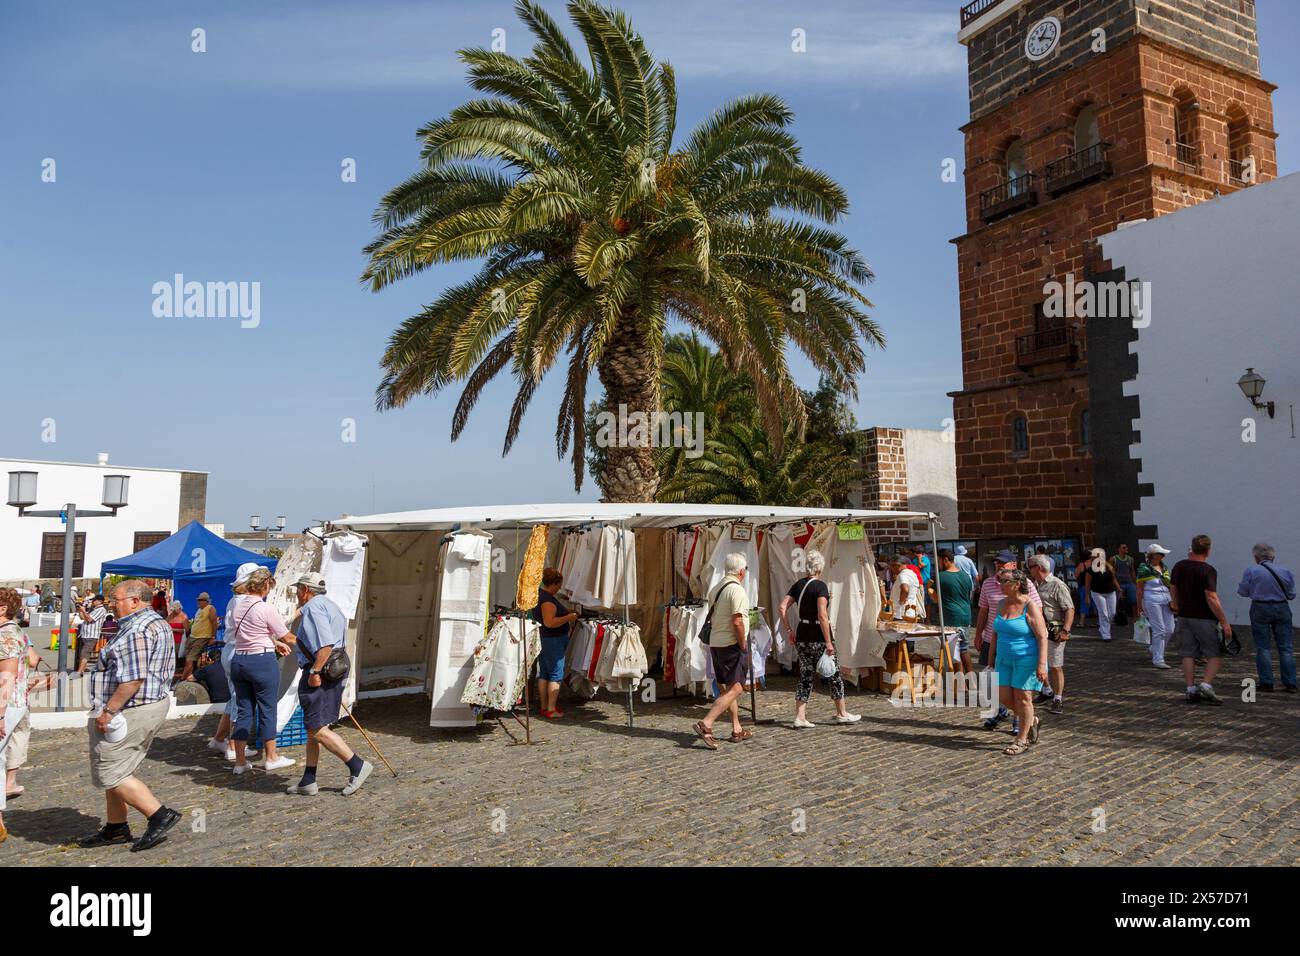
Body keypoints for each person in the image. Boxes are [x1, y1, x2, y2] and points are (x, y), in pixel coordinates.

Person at [75, 579, 181, 852]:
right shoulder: (153, 622)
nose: (112, 604)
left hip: (131, 709)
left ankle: (159, 814)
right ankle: (116, 827)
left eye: (116, 599)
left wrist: (108, 711)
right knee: (121, 767)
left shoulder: (138, 629)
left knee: (110, 771)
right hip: (143, 705)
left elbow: (132, 679)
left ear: (135, 601)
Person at [282, 573, 372, 796]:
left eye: (297, 590)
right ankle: (308, 780)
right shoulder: (330, 605)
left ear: (305, 590)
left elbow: (325, 645)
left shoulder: (313, 608)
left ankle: (357, 766)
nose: (296, 594)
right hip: (334, 667)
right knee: (314, 727)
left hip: (322, 670)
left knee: (317, 729)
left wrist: (314, 672)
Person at [777, 549, 861, 728]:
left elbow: (782, 607)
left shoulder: (798, 585)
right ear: (820, 568)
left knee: (806, 675)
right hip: (818, 636)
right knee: (834, 673)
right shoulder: (821, 586)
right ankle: (841, 713)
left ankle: (800, 716)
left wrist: (789, 630)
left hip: (802, 635)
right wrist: (828, 642)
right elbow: (822, 615)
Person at [226, 567, 296, 773]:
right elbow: (287, 636)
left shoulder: (238, 606)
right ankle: (271, 757)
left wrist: (272, 642)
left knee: (244, 710)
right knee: (267, 709)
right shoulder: (265, 608)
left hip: (239, 660)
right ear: (265, 585)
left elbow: (251, 632)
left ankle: (239, 762)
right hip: (261, 662)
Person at [974, 551, 1042, 732]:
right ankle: (1002, 711)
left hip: (1020, 644)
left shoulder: (1026, 585)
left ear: (1013, 565)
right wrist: (978, 633)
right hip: (993, 638)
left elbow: (1036, 613)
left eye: (1003, 563)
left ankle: (1020, 721)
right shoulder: (988, 584)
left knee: (1018, 689)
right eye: (996, 563)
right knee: (999, 685)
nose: (998, 566)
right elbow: (983, 610)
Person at [693, 553, 752, 749]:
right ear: (742, 571)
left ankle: (736, 728)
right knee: (737, 688)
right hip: (731, 644)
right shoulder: (737, 591)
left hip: (717, 643)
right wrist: (743, 644)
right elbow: (737, 621)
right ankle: (707, 723)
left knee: (727, 689)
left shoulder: (716, 588)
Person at [0, 588, 43, 843]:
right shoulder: (16, 631)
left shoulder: (6, 634)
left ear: (3, 608)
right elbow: (34, 659)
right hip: (15, 703)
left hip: (7, 704)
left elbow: (7, 676)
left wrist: (0, 714)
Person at [991, 569, 1050, 755]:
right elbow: (996, 632)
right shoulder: (1001, 603)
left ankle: (1021, 740)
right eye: (1000, 580)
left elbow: (1042, 636)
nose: (1000, 584)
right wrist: (991, 656)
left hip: (1027, 659)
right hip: (1003, 658)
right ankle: (1031, 720)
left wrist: (1041, 664)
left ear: (1017, 585)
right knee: (1003, 697)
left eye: (1004, 581)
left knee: (1023, 698)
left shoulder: (1029, 605)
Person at [206, 564, 260, 761]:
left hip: (230, 650)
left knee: (234, 699)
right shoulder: (245, 602)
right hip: (239, 651)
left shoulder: (234, 600)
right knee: (241, 700)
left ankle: (219, 739)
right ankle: (233, 745)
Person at [1170, 534, 1231, 705]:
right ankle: (1205, 684)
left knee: (1187, 653)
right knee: (1215, 653)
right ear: (1208, 550)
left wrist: (1175, 604)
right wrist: (1224, 621)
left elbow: (1173, 586)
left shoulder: (1179, 566)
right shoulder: (1208, 570)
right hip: (1203, 617)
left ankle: (1190, 689)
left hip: (1184, 616)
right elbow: (1211, 597)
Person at [1237, 543, 1296, 693]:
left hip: (1260, 608)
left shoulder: (1251, 570)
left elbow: (1242, 591)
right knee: (1286, 647)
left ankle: (1267, 683)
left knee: (1263, 647)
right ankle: (1290, 683)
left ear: (1256, 557)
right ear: (1273, 557)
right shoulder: (1285, 570)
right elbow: (1292, 594)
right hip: (1282, 607)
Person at [1028, 555, 1074, 714]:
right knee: (1039, 662)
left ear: (1038, 568)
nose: (1029, 569)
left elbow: (1069, 608)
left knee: (1055, 665)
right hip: (1038, 630)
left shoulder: (1057, 585)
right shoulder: (1034, 585)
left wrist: (1066, 630)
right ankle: (1047, 690)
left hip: (1055, 631)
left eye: (1030, 566)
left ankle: (1058, 699)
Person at [533, 567, 580, 719]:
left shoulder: (540, 595)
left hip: (545, 639)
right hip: (552, 640)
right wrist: (569, 618)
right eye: (559, 585)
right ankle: (551, 709)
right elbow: (550, 622)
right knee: (555, 674)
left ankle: (545, 706)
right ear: (553, 584)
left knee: (545, 673)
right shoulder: (547, 600)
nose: (560, 588)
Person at [933, 549, 974, 673]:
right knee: (964, 650)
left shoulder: (941, 576)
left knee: (954, 653)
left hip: (951, 617)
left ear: (945, 560)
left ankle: (960, 684)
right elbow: (969, 595)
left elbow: (936, 599)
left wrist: (930, 590)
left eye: (939, 561)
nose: (938, 565)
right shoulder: (965, 576)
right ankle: (970, 680)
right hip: (965, 615)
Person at [1136, 544, 1174, 669]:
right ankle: (1158, 659)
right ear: (1153, 555)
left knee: (1170, 629)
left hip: (1166, 599)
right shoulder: (1144, 569)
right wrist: (1139, 605)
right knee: (1160, 630)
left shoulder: (1164, 567)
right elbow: (1139, 589)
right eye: (1160, 553)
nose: (1163, 556)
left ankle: (1154, 648)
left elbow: (1170, 585)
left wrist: (1174, 600)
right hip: (1152, 600)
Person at [179, 592, 219, 682]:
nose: (198, 602)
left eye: (200, 600)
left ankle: (183, 679)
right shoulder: (199, 610)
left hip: (201, 637)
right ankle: (188, 678)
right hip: (193, 637)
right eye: (198, 600)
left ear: (206, 601)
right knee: (188, 659)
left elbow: (214, 623)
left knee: (190, 659)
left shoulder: (210, 608)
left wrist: (213, 637)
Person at [1084, 549, 1118, 642]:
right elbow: (1087, 584)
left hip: (1111, 592)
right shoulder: (1090, 570)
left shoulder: (1109, 567)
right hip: (1097, 592)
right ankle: (1106, 634)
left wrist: (1119, 588)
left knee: (1112, 613)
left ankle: (1103, 628)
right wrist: (1087, 596)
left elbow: (1114, 579)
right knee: (1103, 613)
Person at [75, 594, 109, 674]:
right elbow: (83, 618)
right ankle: (82, 669)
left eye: (94, 600)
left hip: (92, 635)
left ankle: (79, 671)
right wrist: (80, 610)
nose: (93, 601)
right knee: (82, 653)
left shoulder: (101, 610)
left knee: (85, 653)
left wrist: (83, 611)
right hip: (85, 634)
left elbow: (90, 619)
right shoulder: (93, 609)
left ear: (100, 601)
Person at [888, 556, 924, 621]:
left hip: (900, 614)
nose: (892, 569)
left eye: (892, 566)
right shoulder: (912, 574)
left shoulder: (903, 575)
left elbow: (905, 589)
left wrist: (901, 602)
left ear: (898, 565)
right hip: (909, 612)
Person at [1113, 543, 1138, 616]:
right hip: (1119, 583)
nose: (1126, 549)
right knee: (1117, 602)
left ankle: (1135, 617)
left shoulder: (1130, 559)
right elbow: (1112, 573)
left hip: (1129, 583)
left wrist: (1135, 583)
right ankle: (1116, 617)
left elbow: (1132, 571)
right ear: (1119, 549)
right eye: (1124, 548)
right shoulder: (1114, 559)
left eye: (1126, 547)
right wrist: (1116, 585)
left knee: (1134, 600)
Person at [1074, 551, 1094, 624]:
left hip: (1084, 586)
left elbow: (1076, 575)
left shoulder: (1081, 565)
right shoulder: (1094, 564)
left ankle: (1081, 622)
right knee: (1095, 603)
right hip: (1094, 586)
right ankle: (1096, 622)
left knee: (1084, 602)